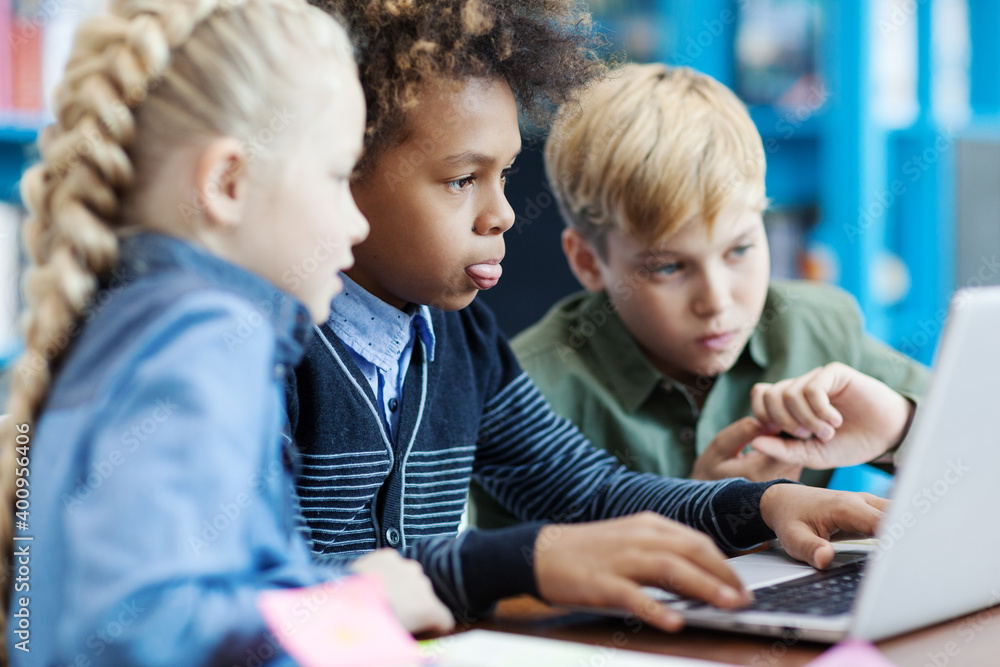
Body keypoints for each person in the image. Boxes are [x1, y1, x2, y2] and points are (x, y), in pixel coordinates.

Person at [288, 0, 888, 634]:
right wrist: (522, 560)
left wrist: (763, 506)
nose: (503, 214)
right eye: (463, 179)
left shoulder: (461, 338)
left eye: (505, 174)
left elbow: (587, 493)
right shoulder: (266, 350)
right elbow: (258, 584)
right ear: (340, 171)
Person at [0, 0, 452, 663]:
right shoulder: (210, 335)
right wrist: (356, 603)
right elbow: (138, 632)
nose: (356, 225)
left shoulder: (129, 325)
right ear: (227, 181)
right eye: (336, 177)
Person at [471, 63, 930, 529]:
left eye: (741, 249)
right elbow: (500, 588)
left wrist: (902, 426)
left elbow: (979, 445)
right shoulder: (524, 391)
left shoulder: (817, 327)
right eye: (669, 267)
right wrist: (703, 516)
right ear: (589, 262)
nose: (716, 301)